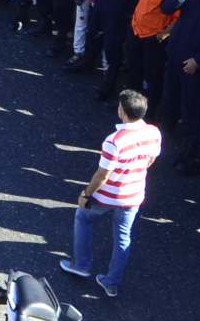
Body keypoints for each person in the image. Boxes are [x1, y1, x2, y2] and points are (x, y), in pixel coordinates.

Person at [64, 90, 163, 298]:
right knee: (122, 238)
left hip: (107, 196)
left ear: (123, 112)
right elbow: (150, 160)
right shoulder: (154, 132)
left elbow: (102, 175)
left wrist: (86, 194)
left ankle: (81, 265)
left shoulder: (114, 140)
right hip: (133, 195)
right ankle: (111, 282)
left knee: (83, 217)